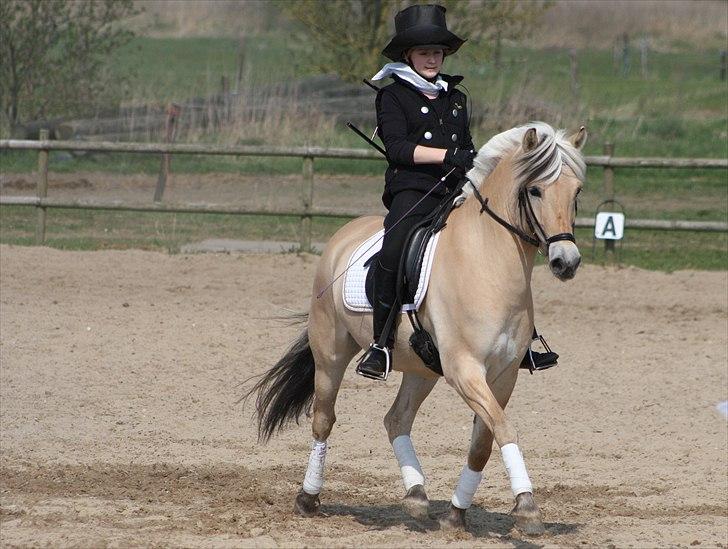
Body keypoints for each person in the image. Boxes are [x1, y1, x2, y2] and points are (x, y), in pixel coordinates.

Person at [356, 4, 557, 381]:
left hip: (456, 189)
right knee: (396, 245)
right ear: (408, 55)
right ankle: (380, 344)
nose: (432, 59)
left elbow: (466, 146)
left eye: (437, 52)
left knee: (510, 247)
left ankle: (524, 338)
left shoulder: (456, 96)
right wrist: (449, 155)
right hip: (413, 190)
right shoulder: (392, 97)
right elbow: (398, 148)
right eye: (423, 52)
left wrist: (472, 165)